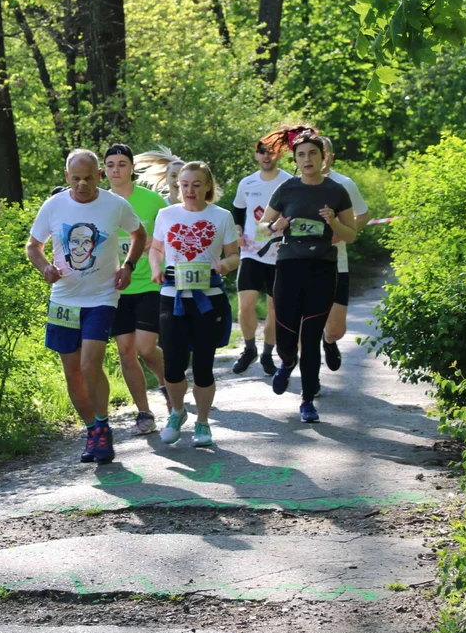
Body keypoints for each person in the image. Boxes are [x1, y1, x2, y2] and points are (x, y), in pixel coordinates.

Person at [26, 148, 146, 464]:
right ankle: (92, 430)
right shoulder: (53, 206)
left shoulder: (115, 205)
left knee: (89, 364)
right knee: (73, 374)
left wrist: (129, 267)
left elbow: (139, 234)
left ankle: (103, 427)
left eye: (88, 178)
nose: (82, 184)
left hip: (102, 297)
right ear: (67, 177)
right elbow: (33, 246)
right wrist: (44, 268)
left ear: (99, 176)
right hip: (64, 300)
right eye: (76, 178)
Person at [257, 128, 357, 422]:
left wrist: (333, 223)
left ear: (323, 157)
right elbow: (261, 227)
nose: (307, 159)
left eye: (313, 153)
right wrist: (278, 226)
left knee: (311, 337)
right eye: (301, 155)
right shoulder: (287, 189)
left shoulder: (336, 191)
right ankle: (287, 363)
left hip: (323, 269)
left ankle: (308, 399)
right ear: (296, 159)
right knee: (287, 336)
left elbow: (350, 235)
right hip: (288, 268)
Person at [150, 161, 239, 448]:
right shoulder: (166, 214)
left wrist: (223, 265)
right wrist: (155, 267)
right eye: (184, 185)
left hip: (208, 300)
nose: (189, 190)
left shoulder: (221, 216)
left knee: (203, 366)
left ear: (208, 187)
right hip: (172, 297)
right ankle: (177, 412)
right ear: (177, 187)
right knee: (173, 366)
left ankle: (202, 422)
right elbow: (155, 248)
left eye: (196, 184)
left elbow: (235, 256)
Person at [103, 144, 169, 436]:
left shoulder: (153, 202)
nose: (116, 170)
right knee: (126, 352)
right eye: (110, 165)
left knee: (145, 348)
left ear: (132, 168)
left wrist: (152, 244)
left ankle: (169, 384)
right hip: (113, 290)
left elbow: (171, 235)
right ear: (104, 170)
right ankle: (144, 412)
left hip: (148, 284)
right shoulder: (98, 202)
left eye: (121, 164)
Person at [231, 137, 293, 376]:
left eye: (272, 152)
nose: (267, 156)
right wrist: (237, 230)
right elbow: (237, 210)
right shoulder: (247, 183)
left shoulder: (289, 182)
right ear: (256, 155)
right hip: (251, 253)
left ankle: (268, 354)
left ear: (279, 155)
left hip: (280, 255)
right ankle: (249, 349)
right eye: (262, 152)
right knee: (245, 305)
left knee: (274, 310)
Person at [319, 137, 370, 372]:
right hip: (300, 262)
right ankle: (310, 378)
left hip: (336, 262)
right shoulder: (294, 185)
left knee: (336, 329)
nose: (317, 158)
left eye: (323, 153)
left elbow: (364, 214)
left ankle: (329, 341)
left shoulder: (343, 184)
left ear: (330, 157)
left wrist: (343, 232)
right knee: (303, 326)